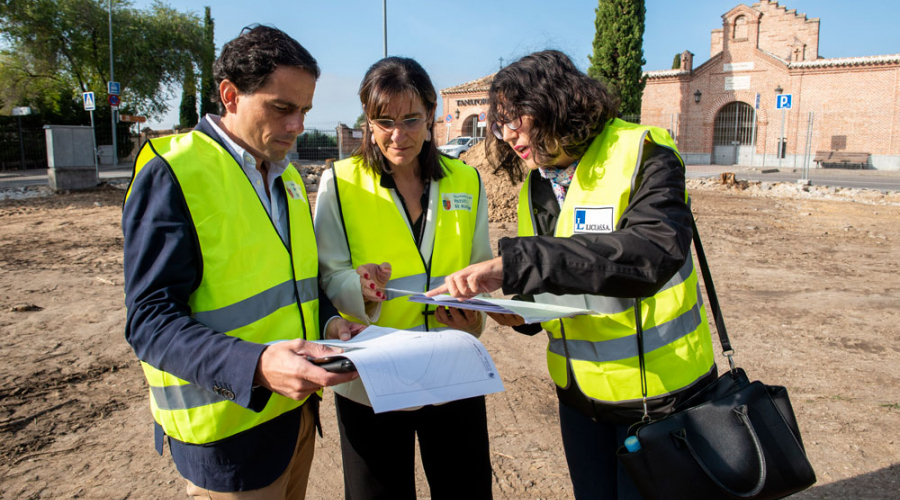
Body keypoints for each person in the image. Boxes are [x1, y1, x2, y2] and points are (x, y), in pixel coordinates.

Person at [428, 50, 717, 500]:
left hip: (662, 397)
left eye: (513, 117)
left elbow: (650, 255)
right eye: (498, 124)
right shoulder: (537, 188)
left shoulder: (643, 150)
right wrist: (514, 315)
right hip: (581, 400)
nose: (505, 134)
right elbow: (558, 290)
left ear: (556, 101)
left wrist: (515, 264)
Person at [122, 25, 365, 499]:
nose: (297, 125)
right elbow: (149, 322)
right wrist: (255, 365)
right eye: (282, 108)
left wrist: (331, 322)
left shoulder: (289, 178)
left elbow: (296, 285)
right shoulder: (174, 173)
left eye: (304, 111)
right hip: (227, 438)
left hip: (293, 418)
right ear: (230, 95)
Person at [314, 57, 493, 500]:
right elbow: (327, 275)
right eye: (384, 121)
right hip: (372, 377)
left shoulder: (467, 180)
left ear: (431, 115)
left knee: (466, 490)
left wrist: (475, 321)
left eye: (412, 119)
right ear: (368, 121)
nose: (399, 134)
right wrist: (361, 289)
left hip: (454, 371)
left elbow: (480, 269)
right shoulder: (340, 182)